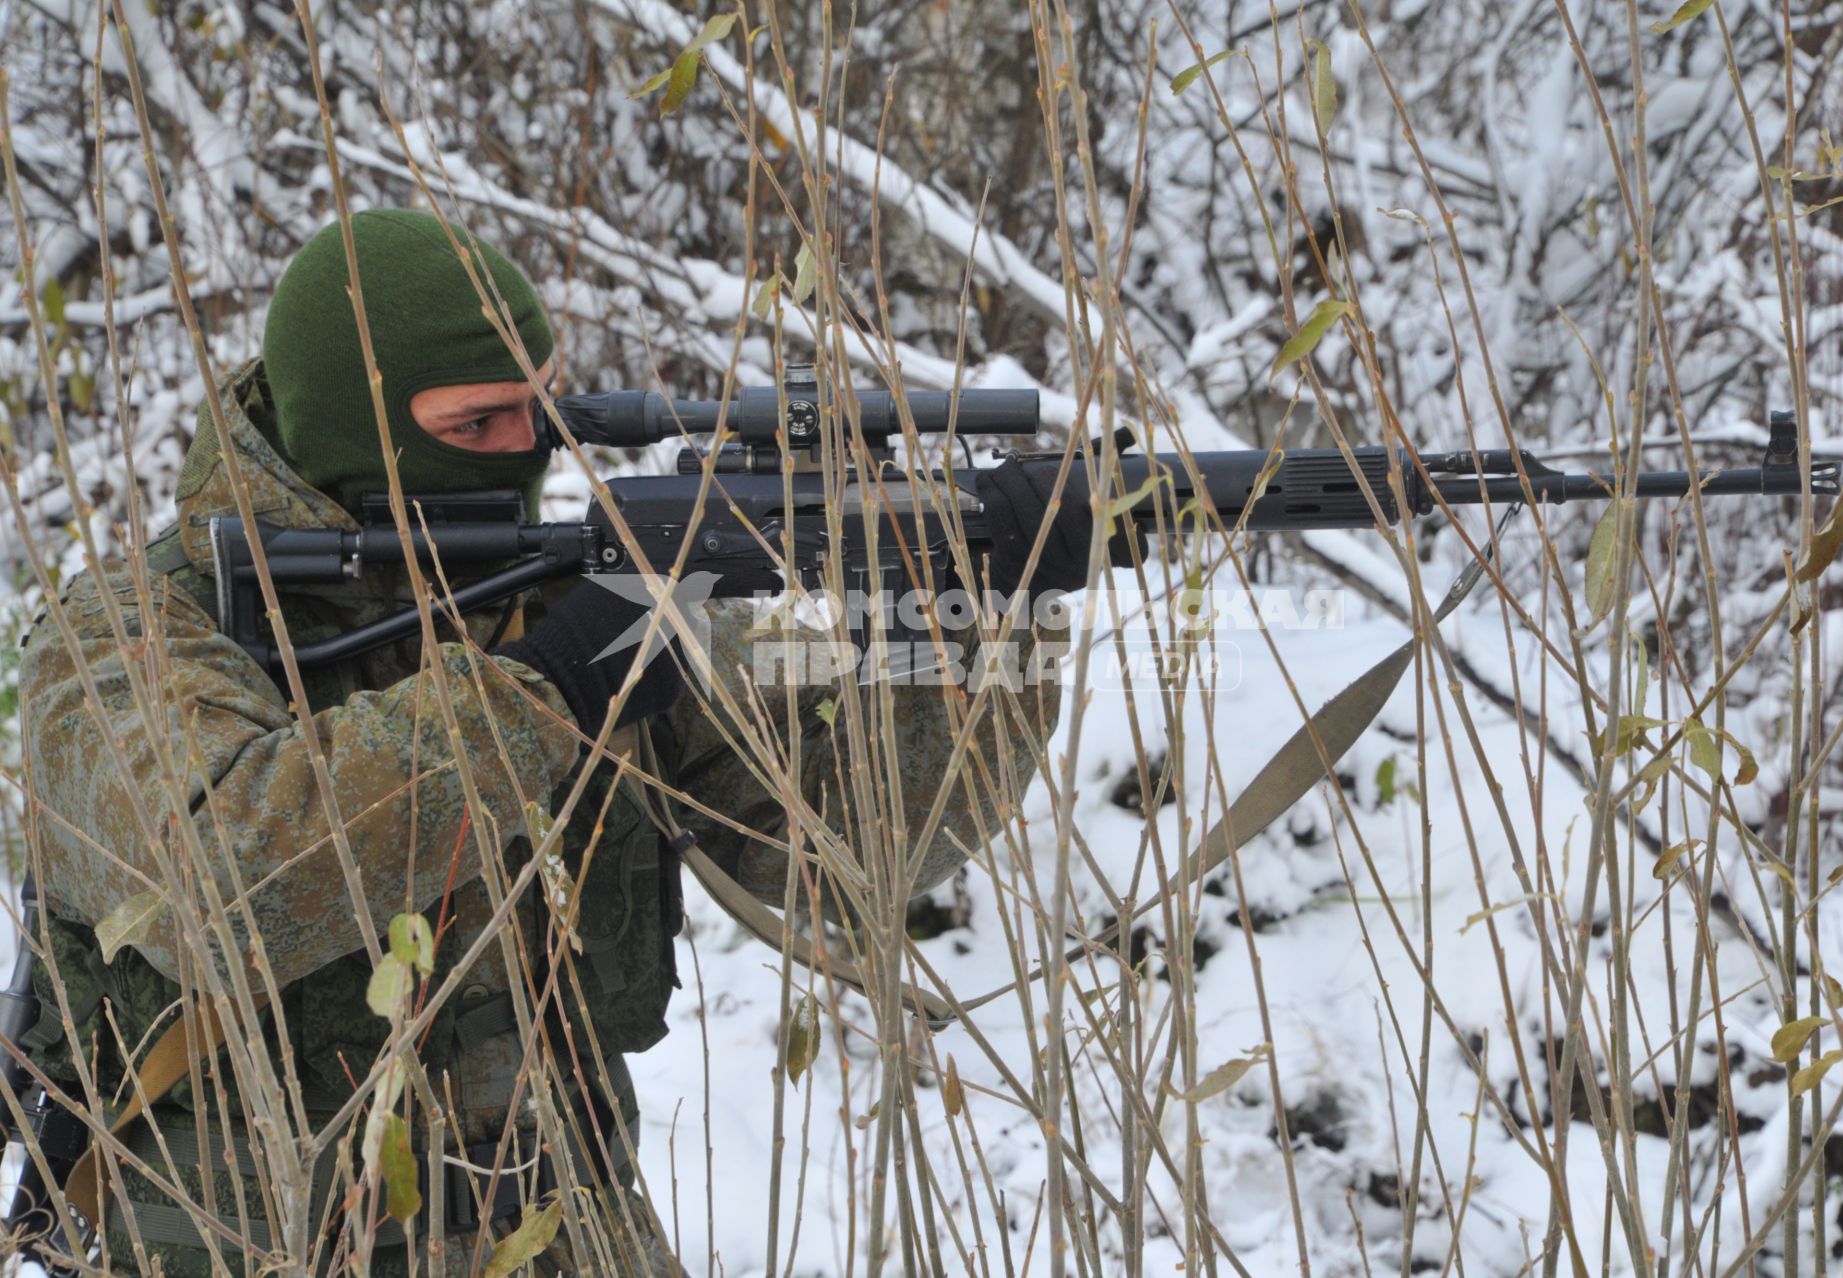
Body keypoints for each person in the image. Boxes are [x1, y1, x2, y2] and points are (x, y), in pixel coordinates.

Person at [12, 208, 1107, 1277]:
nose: (524, 452)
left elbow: (851, 849)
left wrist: (965, 618)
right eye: (473, 426)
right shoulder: (130, 637)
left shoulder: (570, 593)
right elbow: (225, 886)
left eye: (537, 415)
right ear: (356, 427)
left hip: (565, 1227)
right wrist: (552, 689)